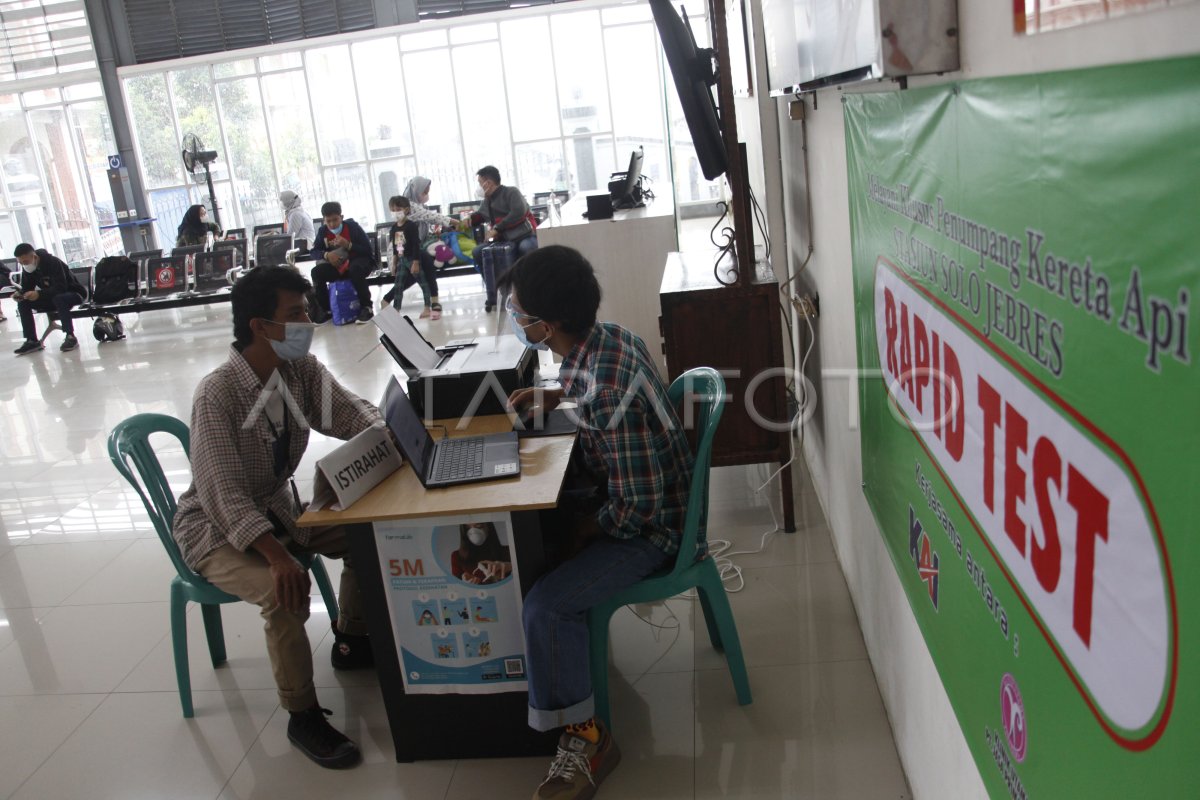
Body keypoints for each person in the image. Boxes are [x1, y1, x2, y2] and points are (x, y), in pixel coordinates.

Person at [501, 245, 694, 800]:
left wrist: (588, 527)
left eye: (519, 311)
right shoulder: (605, 338)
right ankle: (566, 674)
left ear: (549, 323)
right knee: (541, 538)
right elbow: (589, 386)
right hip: (638, 494)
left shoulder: (607, 393)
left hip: (655, 529)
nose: (515, 318)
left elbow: (640, 507)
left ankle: (588, 738)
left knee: (545, 603)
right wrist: (554, 394)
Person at [172, 266, 381, 769]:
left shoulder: (300, 371)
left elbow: (352, 412)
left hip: (277, 509)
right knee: (280, 590)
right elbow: (222, 494)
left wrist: (390, 433)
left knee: (366, 534)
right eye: (295, 314)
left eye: (306, 311)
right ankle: (301, 714)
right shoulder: (217, 393)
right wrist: (277, 556)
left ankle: (352, 640)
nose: (307, 322)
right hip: (214, 528)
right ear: (259, 326)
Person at [11, 243, 87, 355]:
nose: (24, 265)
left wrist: (39, 294)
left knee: (59, 298)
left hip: (74, 294)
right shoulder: (28, 269)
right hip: (53, 298)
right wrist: (20, 294)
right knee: (23, 303)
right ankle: (31, 340)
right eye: (21, 263)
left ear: (34, 257)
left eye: (25, 262)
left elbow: (61, 288)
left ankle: (70, 336)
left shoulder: (53, 262)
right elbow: (27, 288)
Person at [308, 201, 374, 324]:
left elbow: (367, 250)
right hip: (338, 266)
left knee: (356, 269)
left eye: (335, 220)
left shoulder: (353, 227)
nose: (332, 224)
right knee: (317, 272)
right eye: (328, 221)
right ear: (324, 220)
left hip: (358, 263)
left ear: (341, 217)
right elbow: (314, 251)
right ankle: (326, 309)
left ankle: (367, 307)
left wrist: (348, 245)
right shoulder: (323, 231)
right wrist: (326, 255)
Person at [379, 196, 441, 320]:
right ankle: (395, 310)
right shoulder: (394, 228)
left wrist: (416, 262)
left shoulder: (411, 226)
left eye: (399, 209)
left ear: (406, 210)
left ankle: (427, 307)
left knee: (423, 282)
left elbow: (415, 245)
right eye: (393, 209)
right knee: (399, 285)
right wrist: (394, 263)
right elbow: (397, 246)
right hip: (402, 259)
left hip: (413, 258)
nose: (396, 212)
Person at [476, 165, 538, 259]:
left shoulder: (512, 192)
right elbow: (480, 215)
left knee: (527, 248)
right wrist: (468, 220)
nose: (479, 188)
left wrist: (496, 229)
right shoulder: (487, 201)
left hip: (524, 236)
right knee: (478, 252)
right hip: (502, 240)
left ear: (488, 183)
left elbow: (518, 212)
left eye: (480, 183)